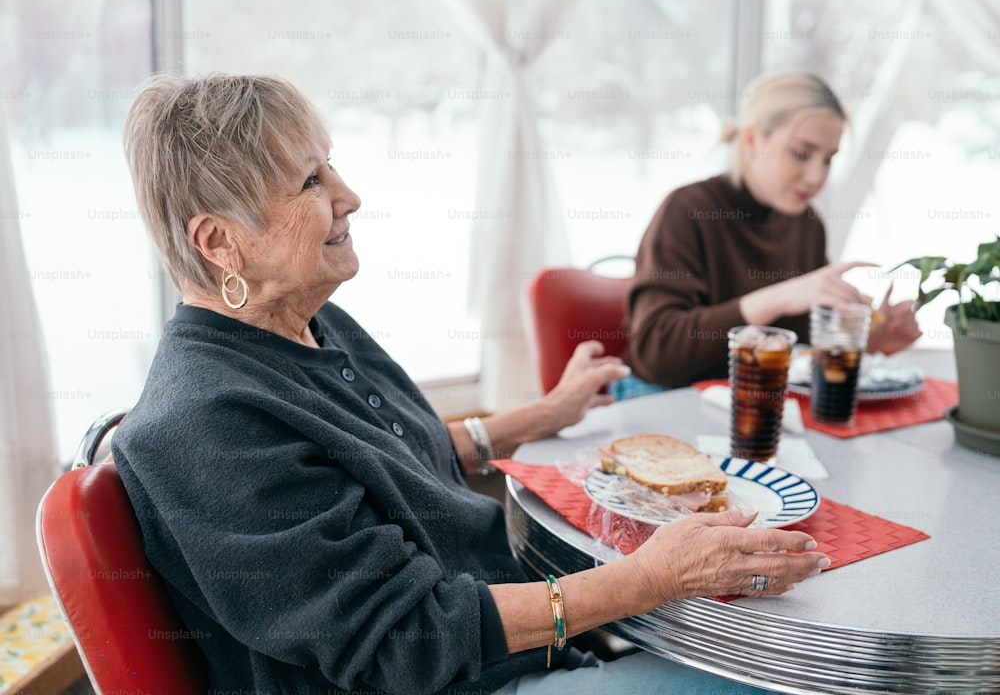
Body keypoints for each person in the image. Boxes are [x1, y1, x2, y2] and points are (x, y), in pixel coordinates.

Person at [111, 73, 830, 695]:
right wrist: (650, 579)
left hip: (517, 650)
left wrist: (538, 415)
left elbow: (392, 458)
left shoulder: (308, 326)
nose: (349, 195)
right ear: (217, 241)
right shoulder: (205, 424)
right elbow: (406, 640)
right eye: (309, 181)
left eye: (330, 165)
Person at [619, 71, 922, 395]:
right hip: (665, 399)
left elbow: (801, 345)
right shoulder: (689, 210)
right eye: (801, 154)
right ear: (751, 141)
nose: (816, 177)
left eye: (828, 159)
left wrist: (869, 339)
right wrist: (780, 297)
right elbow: (656, 353)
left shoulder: (807, 223)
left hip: (756, 399)